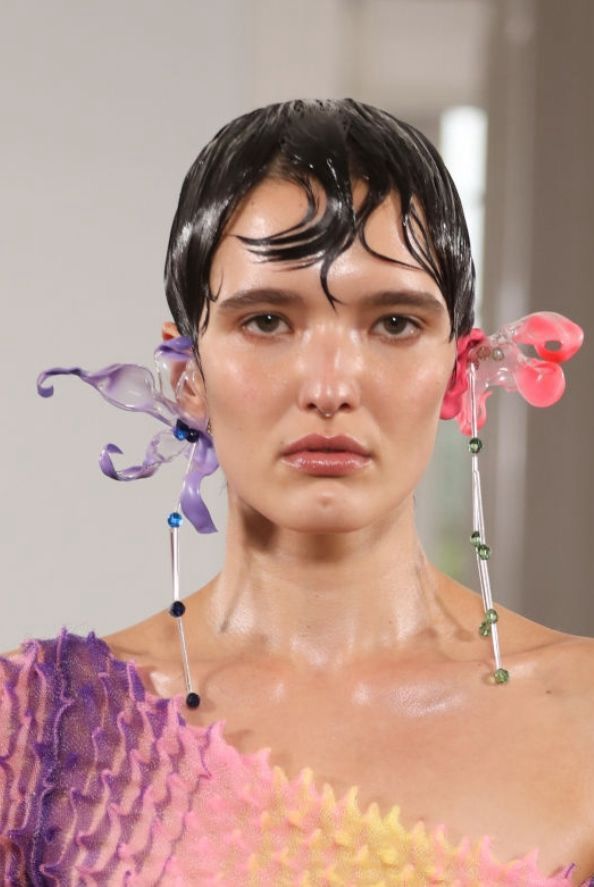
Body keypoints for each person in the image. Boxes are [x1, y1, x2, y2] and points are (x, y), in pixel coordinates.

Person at [1, 98, 591, 885]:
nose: (330, 387)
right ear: (188, 376)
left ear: (462, 371)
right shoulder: (38, 735)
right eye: (269, 321)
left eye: (394, 324)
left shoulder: (582, 716)